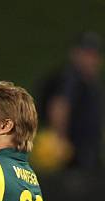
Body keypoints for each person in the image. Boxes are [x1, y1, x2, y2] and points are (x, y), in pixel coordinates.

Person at [36, 31, 104, 170]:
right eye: (87, 54)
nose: (91, 59)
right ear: (75, 54)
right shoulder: (71, 79)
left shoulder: (92, 83)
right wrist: (61, 141)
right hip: (71, 154)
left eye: (94, 54)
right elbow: (59, 107)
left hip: (89, 151)